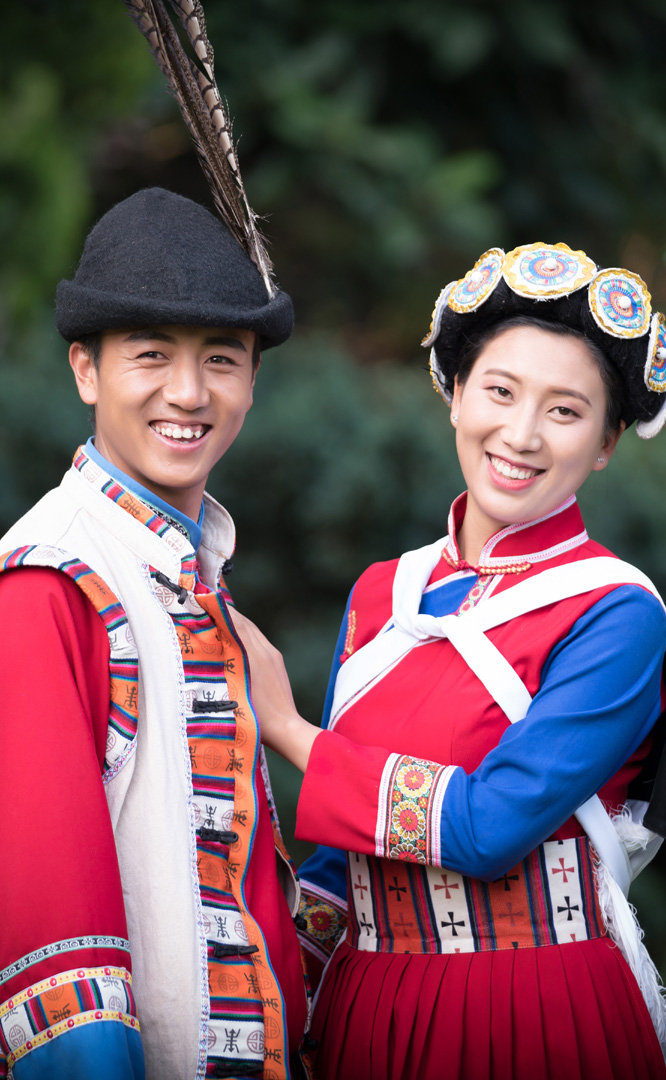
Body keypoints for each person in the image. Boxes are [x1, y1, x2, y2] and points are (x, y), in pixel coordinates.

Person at [235, 243, 666, 1080]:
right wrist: (283, 1002)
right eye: (500, 392)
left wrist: (286, 728)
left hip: (531, 1011)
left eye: (566, 411)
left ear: (607, 443)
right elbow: (337, 862)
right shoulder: (384, 592)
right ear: (456, 394)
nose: (522, 434)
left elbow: (488, 828)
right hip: (365, 1008)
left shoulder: (618, 613)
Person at [0, 187, 308, 1080]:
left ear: (253, 379)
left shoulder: (186, 564)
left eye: (221, 358)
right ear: (85, 370)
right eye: (150, 354)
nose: (189, 391)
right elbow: (57, 945)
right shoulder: (49, 581)